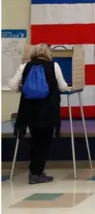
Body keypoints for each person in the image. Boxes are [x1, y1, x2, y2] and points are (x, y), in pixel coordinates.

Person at [8, 43, 69, 184]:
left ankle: (35, 170)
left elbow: (12, 85)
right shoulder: (54, 66)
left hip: (29, 110)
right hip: (48, 110)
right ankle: (36, 173)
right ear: (48, 54)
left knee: (35, 140)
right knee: (44, 141)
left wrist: (24, 88)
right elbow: (63, 86)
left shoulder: (25, 66)